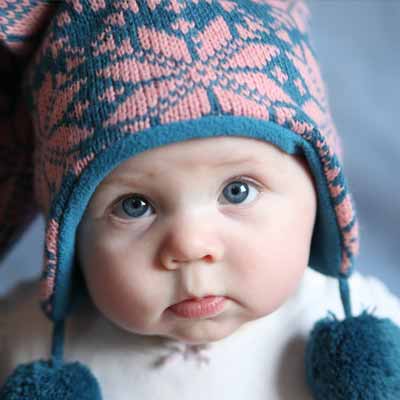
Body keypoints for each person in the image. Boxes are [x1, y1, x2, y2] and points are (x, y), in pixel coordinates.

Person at [0, 0, 399, 399]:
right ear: (68, 236)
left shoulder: (374, 322)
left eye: (237, 191)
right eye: (134, 205)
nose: (190, 245)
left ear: (322, 194)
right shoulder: (17, 343)